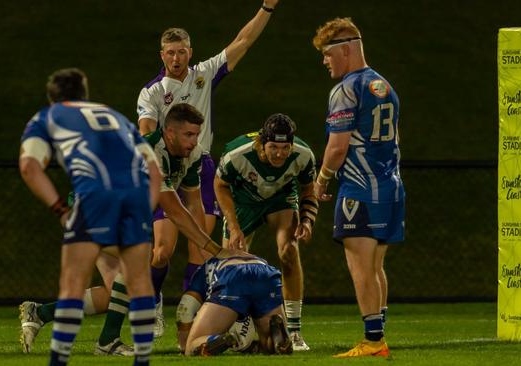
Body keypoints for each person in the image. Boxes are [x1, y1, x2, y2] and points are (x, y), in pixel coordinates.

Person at [19, 102, 224, 357]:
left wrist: (204, 249)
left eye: (197, 134)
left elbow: (193, 204)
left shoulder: (191, 155)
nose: (195, 141)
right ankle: (107, 342)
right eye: (189, 135)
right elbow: (174, 209)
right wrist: (216, 250)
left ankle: (39, 313)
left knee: (111, 296)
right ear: (169, 132)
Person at [136, 0, 282, 337]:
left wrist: (267, 8)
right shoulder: (153, 92)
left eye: (181, 52)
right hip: (166, 170)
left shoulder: (203, 74)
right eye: (170, 52)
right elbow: (145, 128)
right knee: (161, 252)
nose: (176, 58)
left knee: (200, 250)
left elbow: (242, 42)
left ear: (190, 52)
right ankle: (154, 301)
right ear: (162, 55)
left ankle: (188, 319)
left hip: (199, 168)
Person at [18, 68, 162, 366]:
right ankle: (137, 358)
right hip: (134, 200)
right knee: (136, 283)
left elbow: (29, 167)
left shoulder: (49, 116)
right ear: (84, 93)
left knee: (74, 283)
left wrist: (60, 210)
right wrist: (144, 212)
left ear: (52, 97)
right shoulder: (114, 116)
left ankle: (59, 355)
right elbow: (154, 170)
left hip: (94, 199)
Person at [312, 18, 405, 358]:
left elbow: (337, 148)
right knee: (376, 266)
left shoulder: (346, 89)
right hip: (391, 187)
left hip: (360, 188)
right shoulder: (384, 85)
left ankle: (373, 341)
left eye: (327, 53)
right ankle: (378, 336)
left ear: (346, 49)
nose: (325, 61)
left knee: (360, 266)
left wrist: (321, 181)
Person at [214, 113, 318, 351]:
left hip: (280, 198)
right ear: (262, 143)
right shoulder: (237, 154)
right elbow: (220, 185)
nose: (280, 153)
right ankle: (239, 325)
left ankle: (293, 331)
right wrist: (233, 225)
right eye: (274, 147)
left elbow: (308, 189)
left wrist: (307, 220)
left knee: (289, 252)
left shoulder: (303, 155)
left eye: (285, 147)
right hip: (244, 200)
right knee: (232, 261)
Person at [180, 248, 293, 356]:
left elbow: (185, 308)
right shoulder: (246, 255)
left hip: (233, 277)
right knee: (267, 347)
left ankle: (220, 339)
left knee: (192, 346)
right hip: (267, 274)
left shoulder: (204, 269)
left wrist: (184, 344)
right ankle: (276, 339)